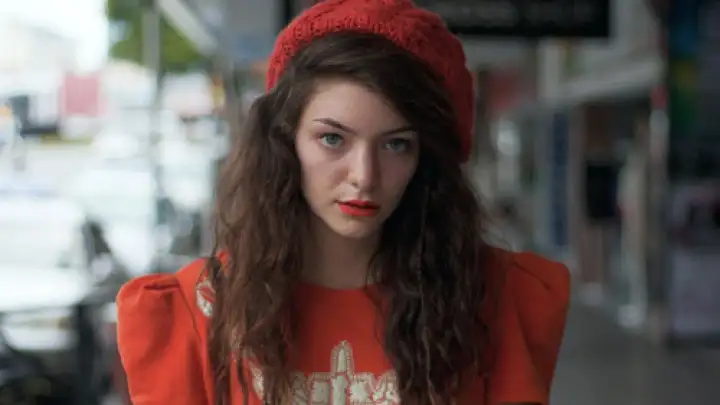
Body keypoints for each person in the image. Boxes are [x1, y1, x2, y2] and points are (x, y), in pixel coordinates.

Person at [116, 1, 570, 404]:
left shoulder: (495, 301)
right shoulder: (195, 315)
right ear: (286, 141)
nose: (364, 176)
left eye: (396, 144)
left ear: (425, 159)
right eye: (333, 139)